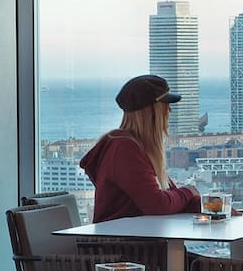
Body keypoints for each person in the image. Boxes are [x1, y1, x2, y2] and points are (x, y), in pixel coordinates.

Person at [79, 74, 200, 222]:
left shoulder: (139, 148)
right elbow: (157, 205)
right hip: (122, 243)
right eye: (165, 105)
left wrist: (210, 206)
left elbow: (170, 196)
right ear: (151, 112)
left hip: (138, 238)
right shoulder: (124, 149)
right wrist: (188, 192)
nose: (170, 111)